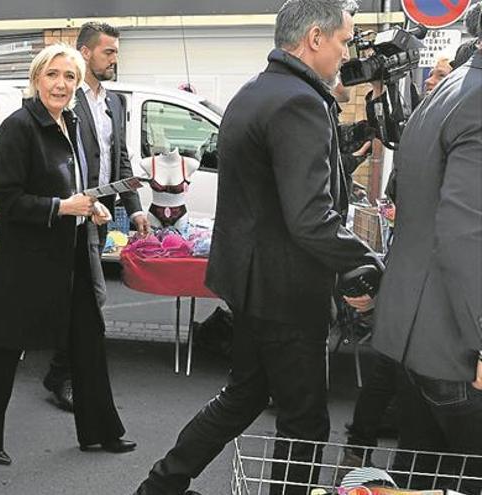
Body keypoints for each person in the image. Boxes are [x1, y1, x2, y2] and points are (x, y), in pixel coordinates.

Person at [134, 1, 381, 493]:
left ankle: (162, 484)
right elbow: (310, 217)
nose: (346, 50)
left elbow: (282, 187)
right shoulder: (298, 101)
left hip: (255, 282)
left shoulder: (259, 89)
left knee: (244, 396)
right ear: (315, 37)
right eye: (343, 39)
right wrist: (370, 261)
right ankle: (162, 483)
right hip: (285, 289)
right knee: (304, 425)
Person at [0, 43, 135, 467]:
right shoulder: (18, 126)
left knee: (88, 341)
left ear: (78, 85)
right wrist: (62, 208)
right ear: (37, 78)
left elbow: (70, 188)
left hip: (71, 250)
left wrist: (88, 206)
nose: (61, 83)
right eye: (53, 74)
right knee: (4, 349)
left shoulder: (71, 122)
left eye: (70, 77)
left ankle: (100, 431)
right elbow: (5, 201)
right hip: (24, 261)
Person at [360, 31, 482, 494]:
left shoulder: (453, 90)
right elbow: (466, 235)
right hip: (456, 349)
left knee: (419, 477)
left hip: (416, 338)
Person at [42, 22, 149, 412]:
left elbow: (120, 160)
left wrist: (135, 208)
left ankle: (62, 371)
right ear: (85, 53)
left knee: (81, 298)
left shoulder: (114, 102)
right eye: (109, 52)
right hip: (72, 213)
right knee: (89, 298)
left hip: (102, 216)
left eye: (116, 52)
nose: (114, 59)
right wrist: (74, 203)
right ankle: (66, 374)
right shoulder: (66, 100)